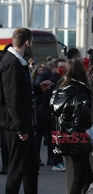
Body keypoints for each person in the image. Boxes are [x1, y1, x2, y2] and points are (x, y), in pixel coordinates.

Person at [0, 28, 40, 193]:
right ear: (27, 42)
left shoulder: (17, 62)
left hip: (22, 122)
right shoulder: (11, 63)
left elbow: (21, 93)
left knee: (31, 166)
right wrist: (21, 128)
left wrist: (37, 89)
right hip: (15, 124)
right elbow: (11, 98)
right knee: (17, 170)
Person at [50, 59, 93, 194]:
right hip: (78, 139)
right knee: (81, 176)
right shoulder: (80, 93)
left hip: (64, 138)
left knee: (85, 176)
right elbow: (82, 120)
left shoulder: (59, 90)